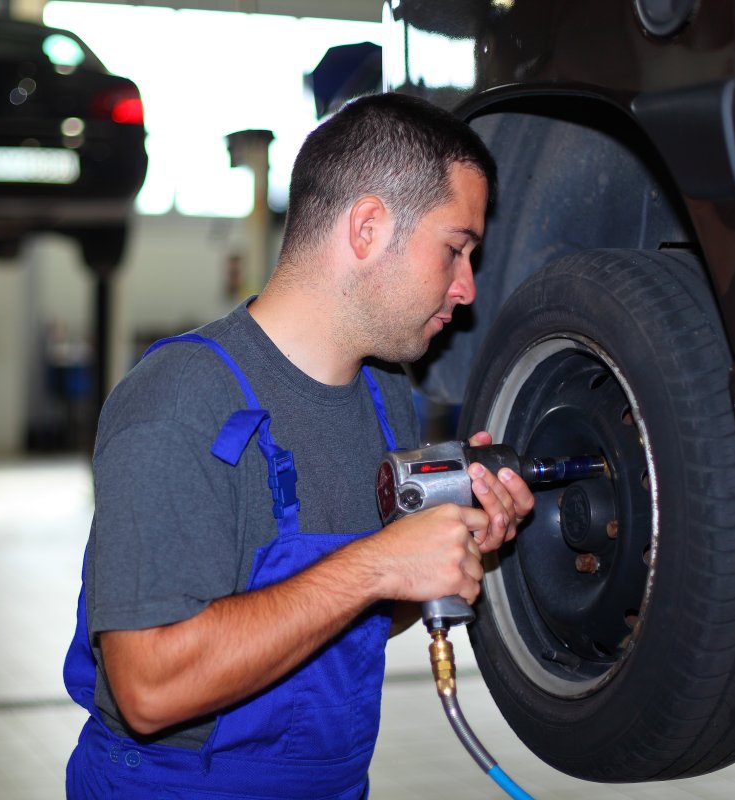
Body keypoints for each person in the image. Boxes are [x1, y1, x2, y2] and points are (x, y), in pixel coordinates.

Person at [63, 92, 535, 799]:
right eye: (456, 249)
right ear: (369, 227)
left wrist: (457, 550)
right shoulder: (183, 401)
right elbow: (148, 686)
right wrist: (375, 565)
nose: (466, 288)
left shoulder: (385, 400)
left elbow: (353, 616)